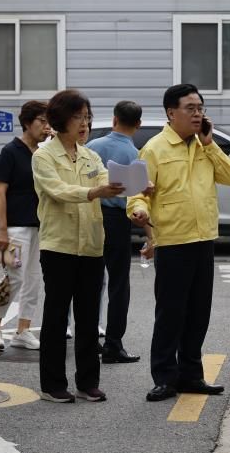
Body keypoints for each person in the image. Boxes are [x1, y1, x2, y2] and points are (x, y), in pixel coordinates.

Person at [127, 84, 230, 402]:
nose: (197, 113)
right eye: (191, 108)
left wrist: (210, 144)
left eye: (200, 108)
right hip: (173, 242)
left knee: (198, 313)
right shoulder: (153, 149)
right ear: (171, 113)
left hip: (204, 238)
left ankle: (191, 375)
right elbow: (136, 193)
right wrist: (138, 210)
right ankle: (164, 377)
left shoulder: (205, 145)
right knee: (171, 314)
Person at [32, 89, 125, 403]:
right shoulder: (43, 155)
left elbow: (107, 179)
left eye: (86, 117)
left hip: (91, 246)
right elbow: (57, 190)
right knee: (57, 317)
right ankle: (52, 384)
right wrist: (95, 192)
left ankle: (88, 382)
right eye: (77, 117)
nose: (84, 124)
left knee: (88, 318)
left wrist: (136, 185)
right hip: (58, 245)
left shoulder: (90, 156)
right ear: (60, 120)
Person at [0, 101, 51, 352]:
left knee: (33, 279)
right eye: (41, 121)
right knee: (14, 279)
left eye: (48, 122)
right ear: (27, 123)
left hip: (39, 225)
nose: (46, 126)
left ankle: (23, 330)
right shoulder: (10, 152)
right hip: (15, 227)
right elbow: (0, 192)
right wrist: (1, 229)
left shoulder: (43, 153)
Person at [86, 100, 144, 364]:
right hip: (119, 220)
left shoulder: (92, 147)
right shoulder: (135, 155)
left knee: (91, 280)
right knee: (119, 284)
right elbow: (137, 196)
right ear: (138, 124)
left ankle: (88, 341)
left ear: (114, 120)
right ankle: (113, 344)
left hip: (92, 216)